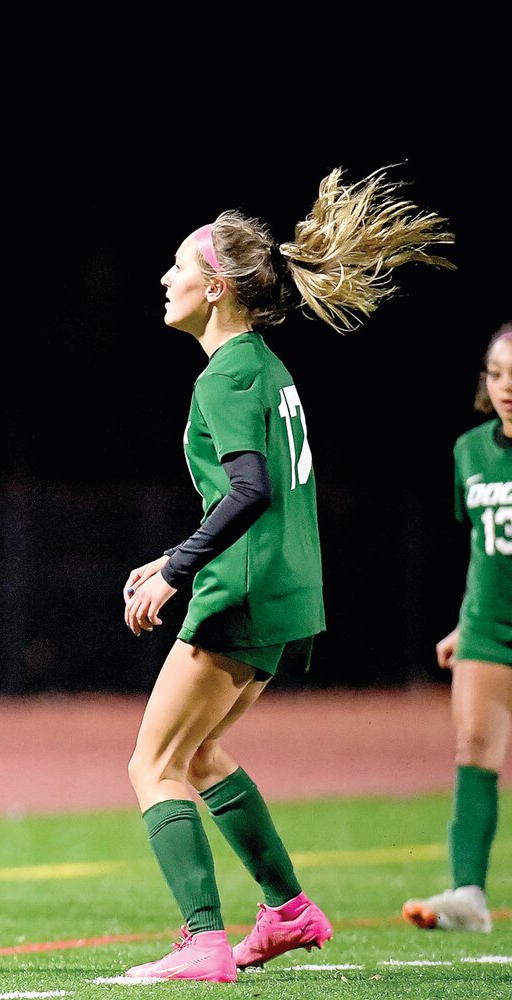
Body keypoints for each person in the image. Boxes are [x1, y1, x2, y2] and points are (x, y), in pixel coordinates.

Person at [120, 167, 455, 981]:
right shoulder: (266, 367)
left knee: (152, 763)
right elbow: (260, 489)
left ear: (218, 285)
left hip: (241, 587)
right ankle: (288, 911)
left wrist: (179, 569)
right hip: (287, 592)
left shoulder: (227, 372)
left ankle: (203, 941)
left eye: (179, 265)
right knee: (198, 755)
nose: (166, 278)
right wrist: (175, 556)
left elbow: (248, 488)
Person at [402, 322, 512, 933]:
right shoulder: (469, 450)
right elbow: (484, 548)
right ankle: (468, 894)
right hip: (487, 628)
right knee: (475, 751)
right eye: (497, 375)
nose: (506, 388)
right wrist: (460, 623)